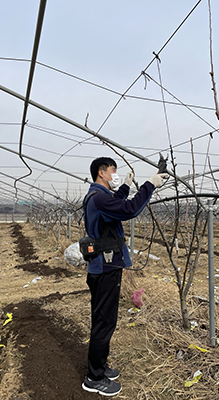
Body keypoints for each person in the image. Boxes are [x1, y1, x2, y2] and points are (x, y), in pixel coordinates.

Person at [81, 156, 167, 396]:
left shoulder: (98, 197)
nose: (115, 173)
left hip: (103, 266)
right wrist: (150, 184)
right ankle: (94, 377)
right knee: (104, 321)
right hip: (105, 268)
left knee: (103, 318)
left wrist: (127, 186)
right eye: (113, 170)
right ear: (101, 172)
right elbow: (128, 210)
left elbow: (117, 204)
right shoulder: (98, 198)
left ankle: (99, 366)